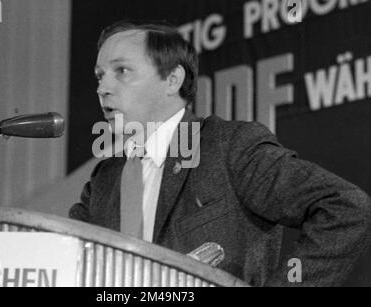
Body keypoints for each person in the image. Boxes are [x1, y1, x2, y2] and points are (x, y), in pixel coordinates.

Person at [69, 20, 371, 286]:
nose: (103, 88)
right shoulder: (105, 179)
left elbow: (345, 207)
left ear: (172, 80)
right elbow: (66, 261)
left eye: (121, 71)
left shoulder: (228, 146)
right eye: (100, 75)